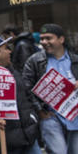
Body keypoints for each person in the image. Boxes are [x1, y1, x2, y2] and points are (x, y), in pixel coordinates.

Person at [22, 23, 78, 154]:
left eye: (48, 38)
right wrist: (39, 111)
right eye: (42, 39)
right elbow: (26, 88)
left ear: (61, 39)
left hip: (74, 117)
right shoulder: (34, 61)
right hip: (50, 117)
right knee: (58, 151)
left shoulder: (75, 59)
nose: (44, 42)